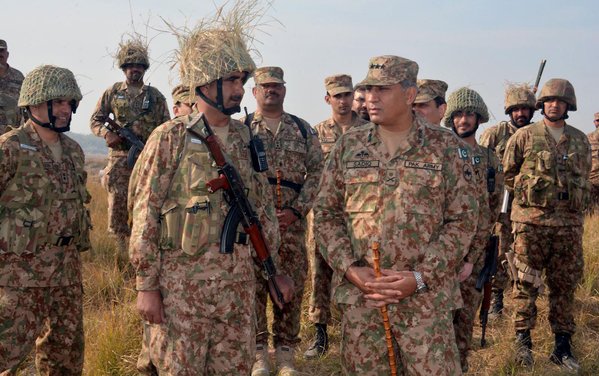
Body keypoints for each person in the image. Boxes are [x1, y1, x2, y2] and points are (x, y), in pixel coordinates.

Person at [127, 7, 293, 375]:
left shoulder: (246, 138)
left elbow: (261, 211)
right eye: (232, 79)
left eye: (242, 79)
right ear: (205, 82)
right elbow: (145, 214)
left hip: (236, 291)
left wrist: (273, 271)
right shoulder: (171, 137)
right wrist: (146, 285)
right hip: (181, 291)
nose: (239, 88)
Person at [313, 55, 479, 375]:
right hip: (365, 301)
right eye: (369, 89)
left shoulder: (444, 146)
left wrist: (419, 278)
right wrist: (352, 270)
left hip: (426, 303)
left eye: (383, 90)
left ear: (409, 94)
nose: (371, 98)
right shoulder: (350, 145)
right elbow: (325, 214)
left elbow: (462, 220)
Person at [0, 65, 91, 375]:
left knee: (65, 357)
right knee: (6, 354)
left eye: (71, 103)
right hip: (19, 277)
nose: (67, 110)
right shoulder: (10, 147)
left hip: (66, 274)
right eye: (60, 102)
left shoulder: (73, 152)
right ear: (36, 103)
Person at [503, 78, 590, 371]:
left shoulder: (579, 140)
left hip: (568, 226)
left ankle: (562, 347)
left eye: (560, 101)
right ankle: (522, 343)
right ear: (542, 105)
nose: (554, 105)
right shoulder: (525, 136)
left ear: (568, 106)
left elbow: (586, 175)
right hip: (531, 224)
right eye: (550, 100)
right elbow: (508, 173)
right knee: (525, 283)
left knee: (564, 286)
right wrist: (531, 190)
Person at [244, 66, 324, 376]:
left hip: (292, 221)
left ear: (284, 91)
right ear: (255, 92)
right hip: (255, 223)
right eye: (265, 86)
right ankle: (259, 352)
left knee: (292, 282)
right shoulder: (243, 130)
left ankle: (287, 352)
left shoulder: (302, 130)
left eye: (276, 86)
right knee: (254, 285)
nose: (271, 90)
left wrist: (298, 210)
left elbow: (318, 172)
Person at [304, 74, 368, 359]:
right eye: (337, 95)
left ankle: (355, 334)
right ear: (327, 98)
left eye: (347, 95)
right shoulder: (316, 133)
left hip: (359, 216)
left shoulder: (368, 130)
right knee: (320, 273)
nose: (343, 101)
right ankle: (320, 335)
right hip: (324, 215)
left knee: (357, 271)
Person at [89, 38, 170, 258]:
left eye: (139, 66)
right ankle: (120, 253)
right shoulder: (113, 92)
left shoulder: (155, 96)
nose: (135, 69)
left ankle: (144, 249)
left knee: (147, 203)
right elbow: (96, 119)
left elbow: (167, 128)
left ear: (144, 68)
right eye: (130, 65)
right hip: (120, 158)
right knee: (118, 205)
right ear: (124, 68)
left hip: (147, 158)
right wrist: (108, 134)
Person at [444, 87, 503, 372]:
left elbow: (492, 208)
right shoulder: (442, 152)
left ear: (478, 118)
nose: (464, 120)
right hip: (441, 253)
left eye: (469, 114)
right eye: (458, 114)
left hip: (475, 254)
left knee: (464, 320)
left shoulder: (490, 159)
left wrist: (473, 258)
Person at [479, 84, 536, 317]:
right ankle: (496, 299)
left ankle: (526, 296)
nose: (520, 114)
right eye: (516, 109)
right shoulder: (496, 133)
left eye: (525, 109)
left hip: (528, 202)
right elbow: (479, 160)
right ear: (509, 111)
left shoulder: (536, 134)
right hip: (501, 200)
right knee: (500, 249)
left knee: (526, 251)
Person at [0, 39, 24, 135]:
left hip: (12, 135)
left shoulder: (18, 77)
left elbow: (27, 104)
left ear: (7, 54)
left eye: (2, 51)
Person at [587, 112, 599, 214]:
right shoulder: (587, 138)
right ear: (594, 122)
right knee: (590, 212)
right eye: (598, 121)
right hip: (591, 181)